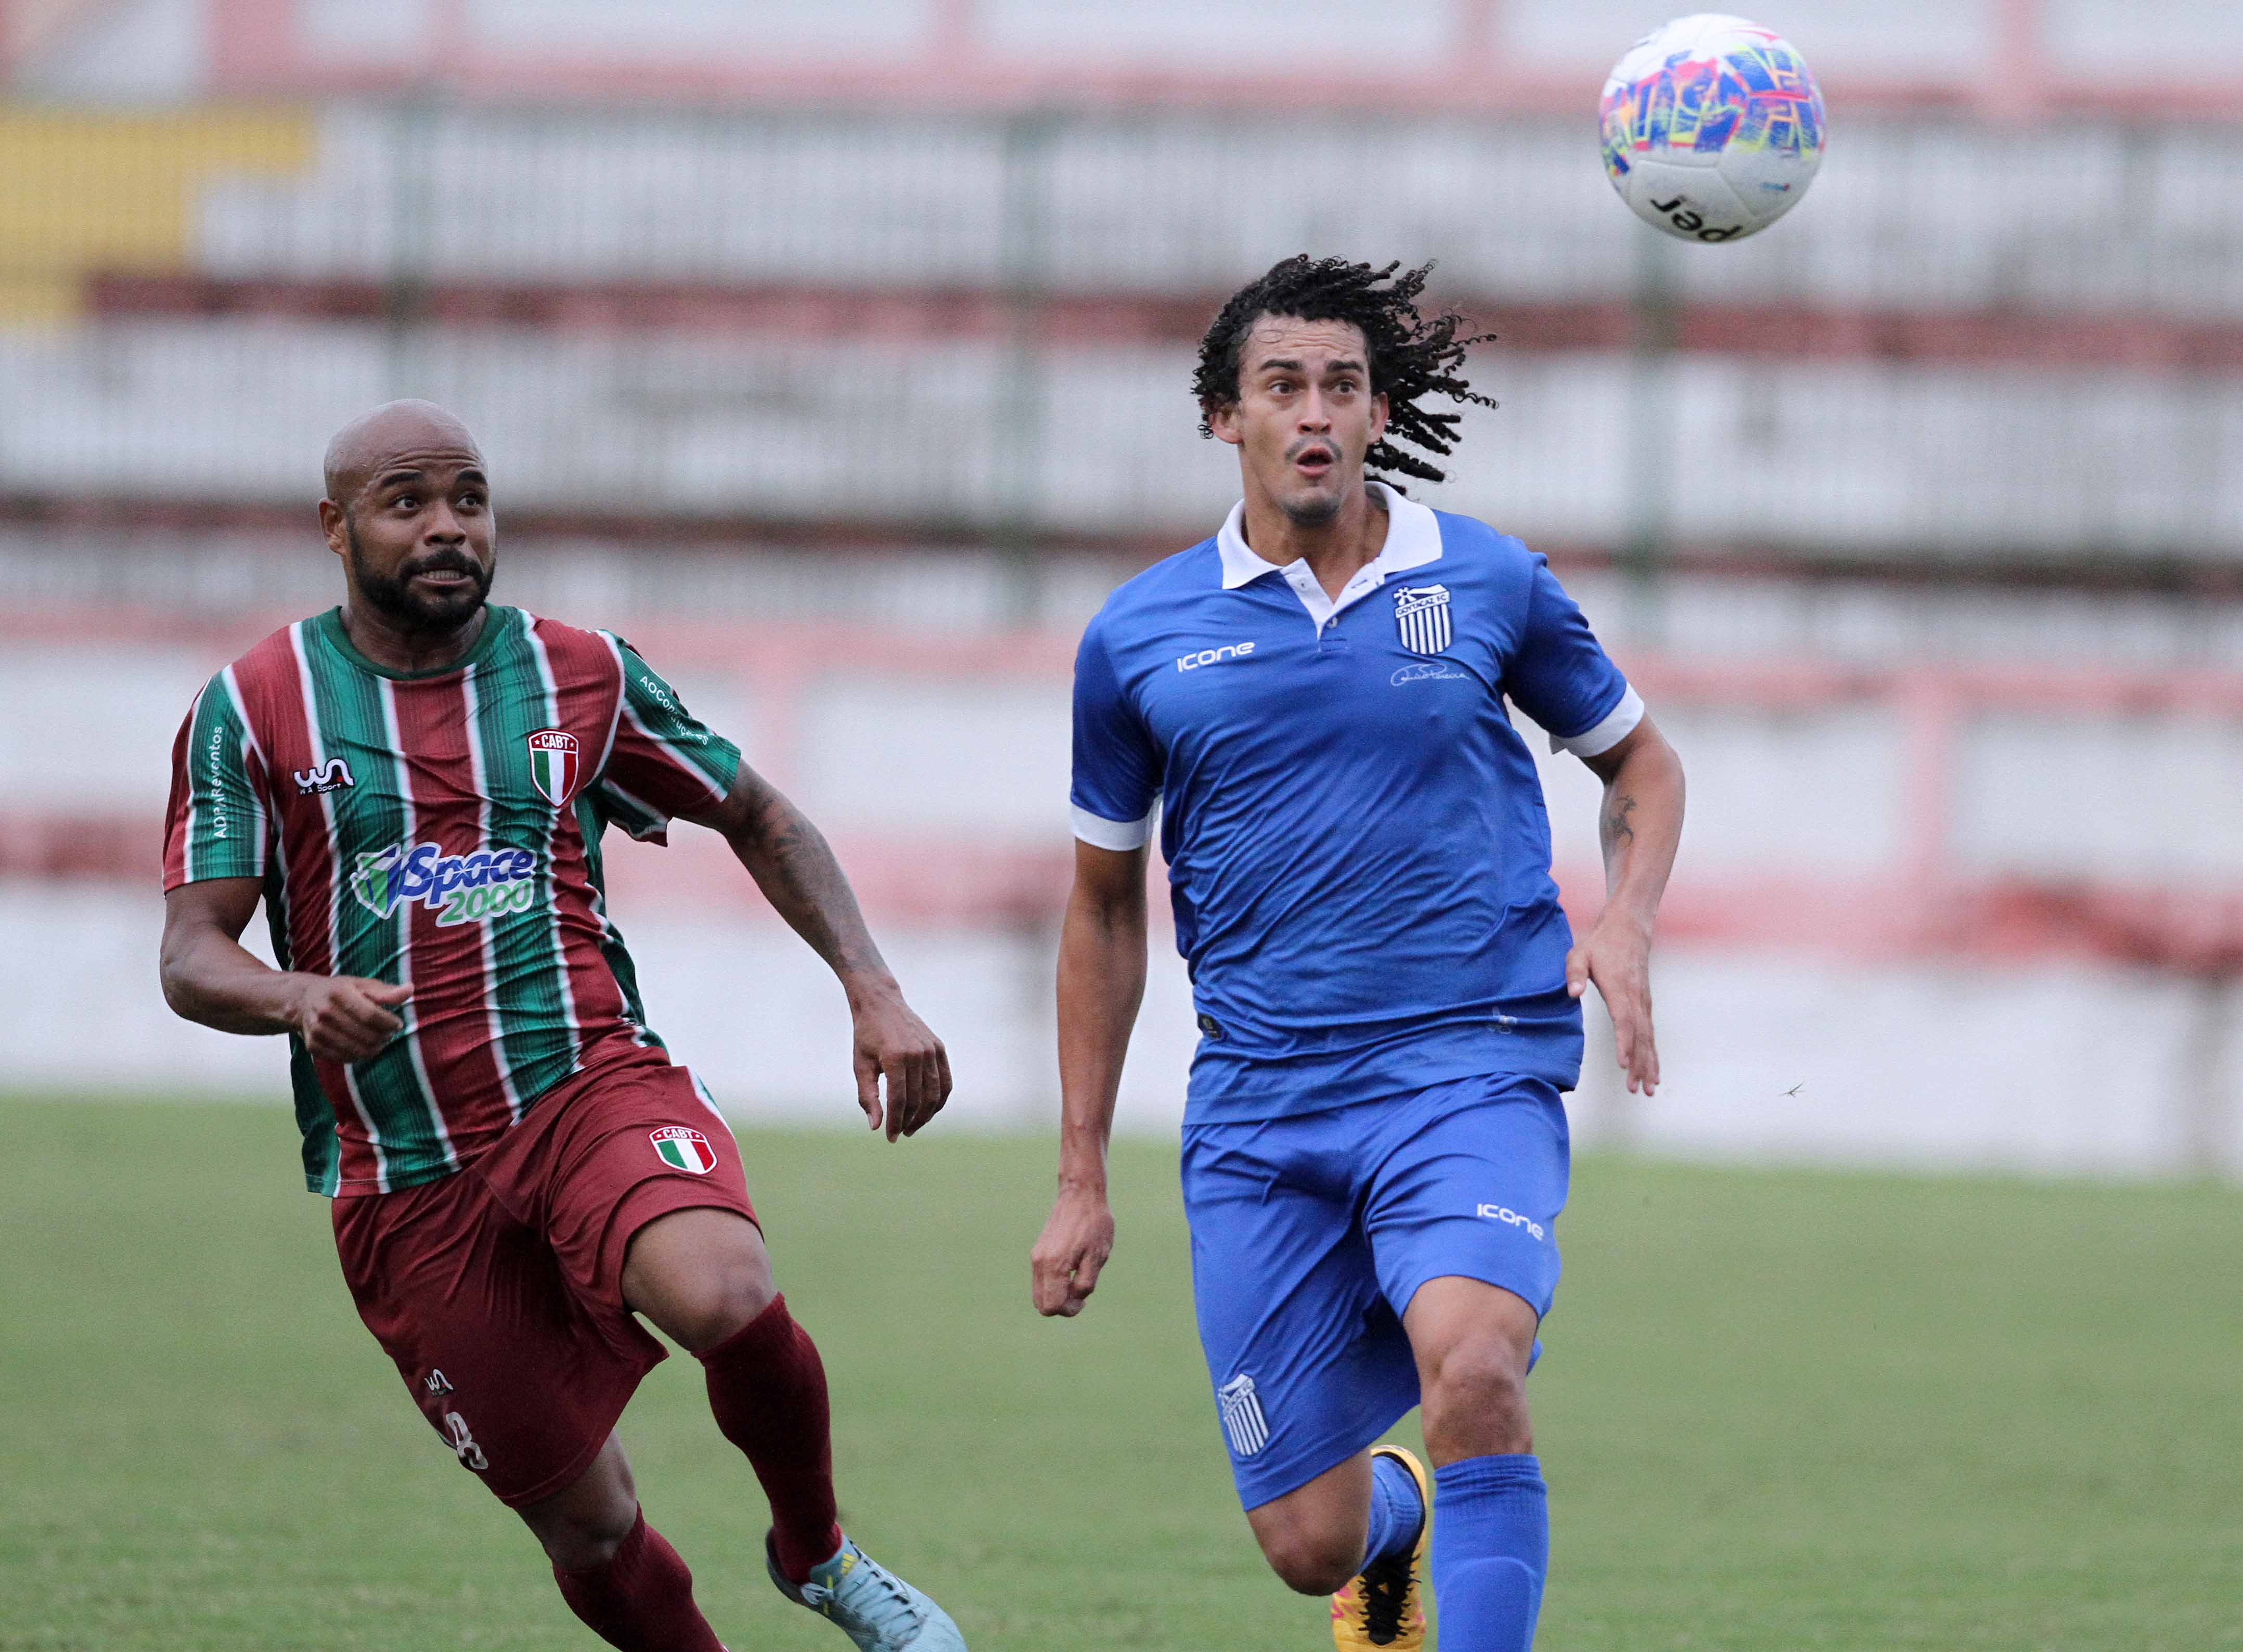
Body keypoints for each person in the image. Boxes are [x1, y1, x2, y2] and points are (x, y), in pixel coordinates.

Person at [159, 399, 969, 1652]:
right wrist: (296, 994)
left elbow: (755, 811)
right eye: (407, 501)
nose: (446, 528)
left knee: (725, 1291)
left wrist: (872, 986)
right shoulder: (256, 706)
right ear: (336, 527)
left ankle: (817, 1553)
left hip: (584, 1084)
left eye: (469, 499)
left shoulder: (575, 672)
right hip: (406, 1176)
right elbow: (191, 953)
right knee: (591, 1530)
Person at [1030, 257, 1686, 1650]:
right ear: (1226, 418)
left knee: (1478, 1370)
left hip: (1470, 1068)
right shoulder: (1140, 636)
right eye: (1283, 387)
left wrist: (1623, 918)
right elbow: (1099, 910)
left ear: (1381, 409)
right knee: (1302, 1539)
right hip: (1264, 1108)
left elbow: (1641, 767)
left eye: (1342, 385)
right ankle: (1389, 1528)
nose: (1315, 412)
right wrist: (1081, 1173)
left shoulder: (1488, 580)